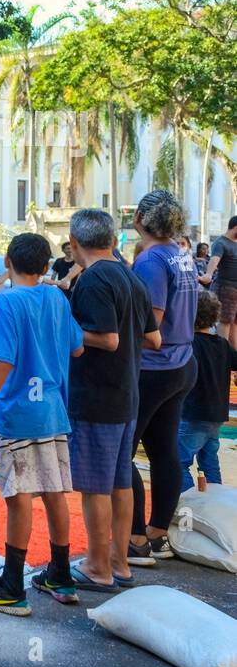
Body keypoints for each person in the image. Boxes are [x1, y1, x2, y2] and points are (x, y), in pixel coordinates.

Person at [0, 233, 85, 615]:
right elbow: (77, 347)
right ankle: (61, 575)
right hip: (52, 409)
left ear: (7, 261)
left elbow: (3, 362)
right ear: (47, 266)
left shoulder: (7, 302)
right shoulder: (56, 298)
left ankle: (12, 585)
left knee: (18, 500)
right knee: (54, 493)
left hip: (18, 414)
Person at [64, 208, 160, 592]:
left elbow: (107, 339)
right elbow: (154, 339)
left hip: (97, 396)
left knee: (95, 486)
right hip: (126, 394)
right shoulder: (130, 277)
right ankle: (120, 563)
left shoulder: (94, 279)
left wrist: (66, 325)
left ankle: (98, 566)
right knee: (121, 482)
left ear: (75, 242)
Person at [127, 191, 199, 566]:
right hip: (182, 361)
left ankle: (136, 537)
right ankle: (156, 535)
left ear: (140, 217)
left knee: (124, 451)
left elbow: (150, 323)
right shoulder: (181, 254)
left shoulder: (151, 260)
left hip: (155, 366)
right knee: (163, 450)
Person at [177, 291, 234, 493]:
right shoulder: (223, 345)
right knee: (210, 462)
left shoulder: (188, 346)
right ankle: (216, 505)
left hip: (193, 413)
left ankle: (191, 503)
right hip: (216, 415)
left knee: (178, 463)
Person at [199, 216, 237, 348]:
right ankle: (223, 358)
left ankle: (233, 361)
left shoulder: (235, 243)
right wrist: (208, 274)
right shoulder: (221, 243)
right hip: (226, 289)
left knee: (234, 325)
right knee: (225, 323)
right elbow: (214, 260)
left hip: (234, 291)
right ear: (235, 227)